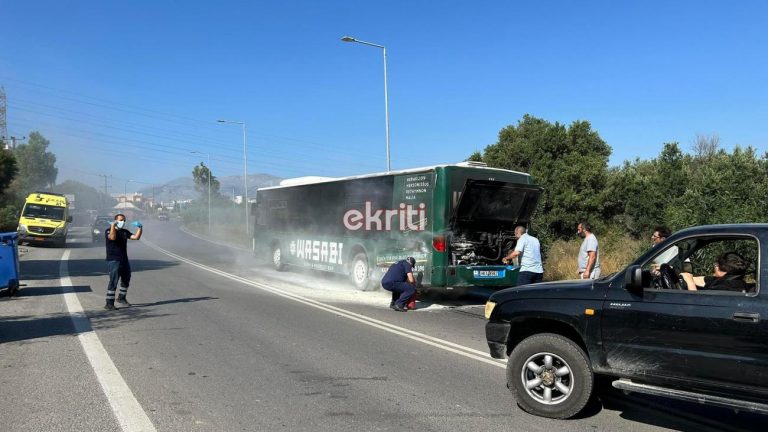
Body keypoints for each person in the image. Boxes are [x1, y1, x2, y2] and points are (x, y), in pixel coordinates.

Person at [104, 213, 143, 310]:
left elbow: (136, 237)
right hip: (113, 260)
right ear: (115, 220)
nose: (122, 222)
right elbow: (112, 237)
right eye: (120, 220)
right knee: (113, 281)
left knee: (126, 278)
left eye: (124, 220)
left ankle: (121, 298)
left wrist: (140, 228)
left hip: (124, 259)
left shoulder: (125, 232)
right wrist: (113, 225)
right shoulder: (108, 230)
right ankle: (109, 303)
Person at [680, 251, 748, 292]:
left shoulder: (722, 288)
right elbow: (701, 279)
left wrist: (690, 282)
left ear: (717, 266)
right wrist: (687, 277)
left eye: (715, 264)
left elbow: (696, 302)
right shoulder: (736, 281)